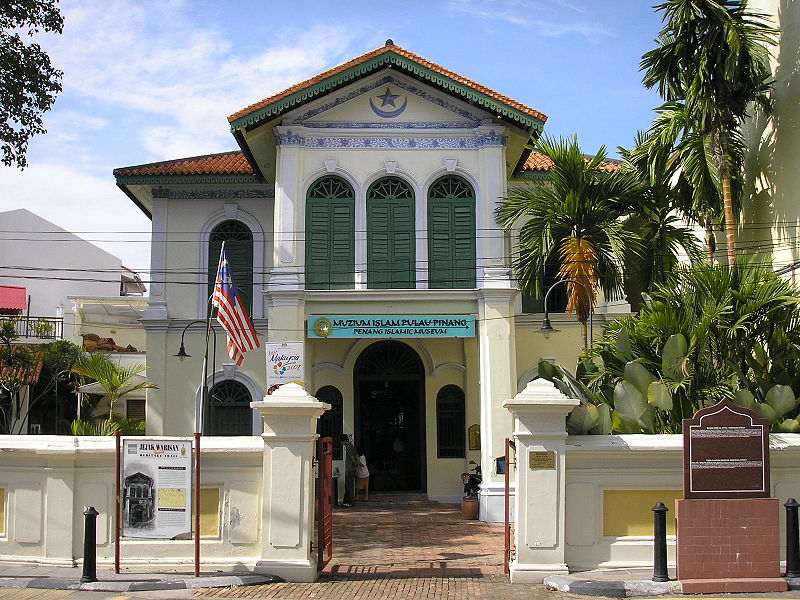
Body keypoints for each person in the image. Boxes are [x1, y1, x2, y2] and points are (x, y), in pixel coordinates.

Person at [340, 434, 357, 507]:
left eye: (341, 442)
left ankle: (350, 502)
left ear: (344, 441)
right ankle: (346, 501)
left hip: (349, 469)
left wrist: (356, 465)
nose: (341, 443)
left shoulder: (349, 448)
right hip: (350, 469)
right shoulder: (351, 447)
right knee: (348, 486)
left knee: (349, 486)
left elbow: (353, 459)